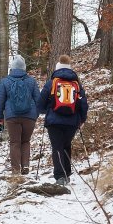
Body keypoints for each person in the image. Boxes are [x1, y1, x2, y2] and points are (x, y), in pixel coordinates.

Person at [37, 55, 88, 185]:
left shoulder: (52, 83)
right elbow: (83, 104)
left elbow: (40, 104)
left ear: (57, 68)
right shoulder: (76, 84)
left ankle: (60, 176)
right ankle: (67, 173)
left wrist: (47, 110)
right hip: (72, 122)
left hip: (54, 122)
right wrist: (82, 119)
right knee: (66, 146)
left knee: (57, 147)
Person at [0, 56, 40, 175]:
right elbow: (38, 100)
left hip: (12, 117)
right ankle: (25, 166)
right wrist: (35, 115)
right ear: (24, 68)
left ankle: (15, 170)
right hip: (29, 117)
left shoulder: (5, 81)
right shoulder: (31, 81)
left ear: (12, 68)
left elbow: (0, 101)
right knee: (25, 141)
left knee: (15, 142)